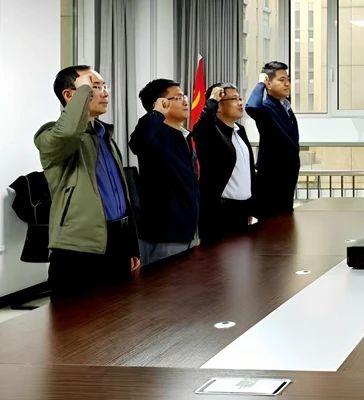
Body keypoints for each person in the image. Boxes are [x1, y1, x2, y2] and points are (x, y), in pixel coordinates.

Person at [35, 66, 141, 297]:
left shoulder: (104, 135)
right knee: (75, 319)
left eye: (104, 86)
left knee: (118, 314)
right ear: (69, 95)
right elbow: (67, 133)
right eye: (94, 87)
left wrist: (131, 245)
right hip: (78, 248)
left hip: (116, 243)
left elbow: (120, 195)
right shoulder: (50, 135)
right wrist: (83, 93)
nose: (105, 92)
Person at [128, 79, 199, 265]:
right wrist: (156, 113)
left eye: (184, 96)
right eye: (178, 97)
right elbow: (137, 143)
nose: (185, 101)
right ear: (161, 103)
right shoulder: (153, 134)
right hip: (164, 233)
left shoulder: (184, 135)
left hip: (187, 230)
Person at [191, 83, 256, 242]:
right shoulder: (211, 132)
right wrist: (212, 100)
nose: (240, 102)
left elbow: (247, 171)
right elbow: (199, 129)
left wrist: (251, 207)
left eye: (240, 98)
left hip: (242, 209)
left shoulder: (240, 130)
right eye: (234, 99)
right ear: (218, 107)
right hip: (220, 212)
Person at [245, 61, 300, 217]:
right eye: (281, 80)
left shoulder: (285, 108)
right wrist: (260, 83)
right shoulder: (267, 108)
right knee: (270, 230)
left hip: (286, 185)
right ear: (268, 83)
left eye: (288, 79)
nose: (287, 84)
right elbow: (252, 107)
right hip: (270, 185)